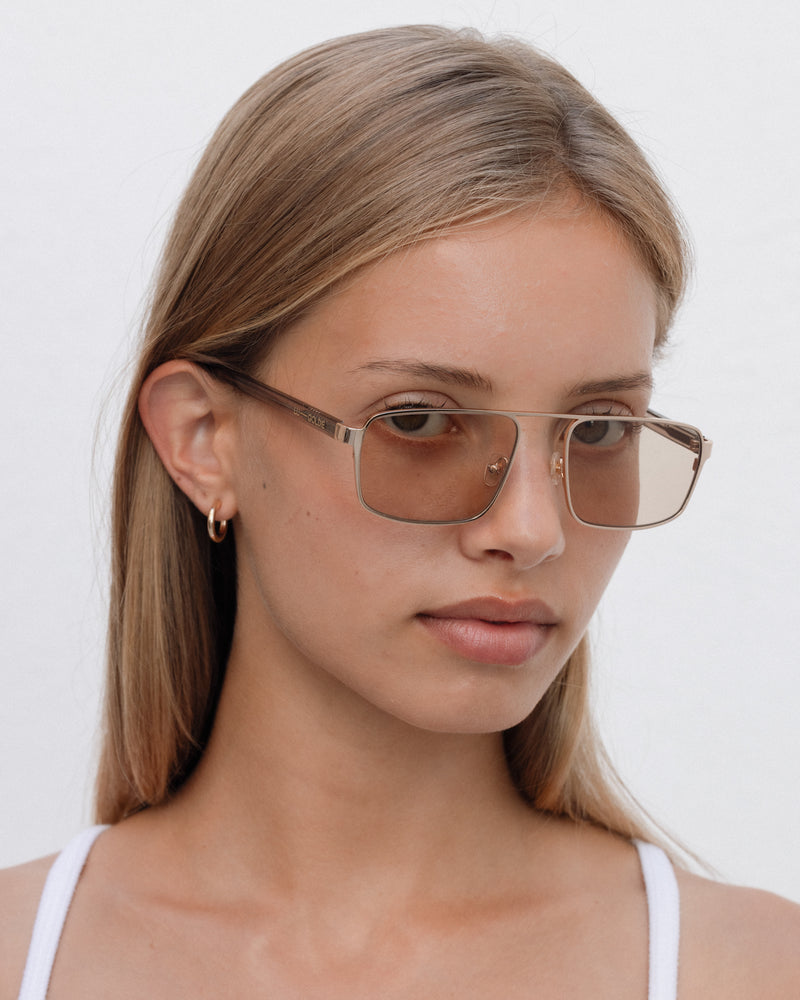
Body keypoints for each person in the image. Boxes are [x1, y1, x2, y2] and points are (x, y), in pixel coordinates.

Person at [2, 24, 798, 1000]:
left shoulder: (758, 973)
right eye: (419, 421)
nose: (532, 529)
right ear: (204, 440)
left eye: (598, 429)